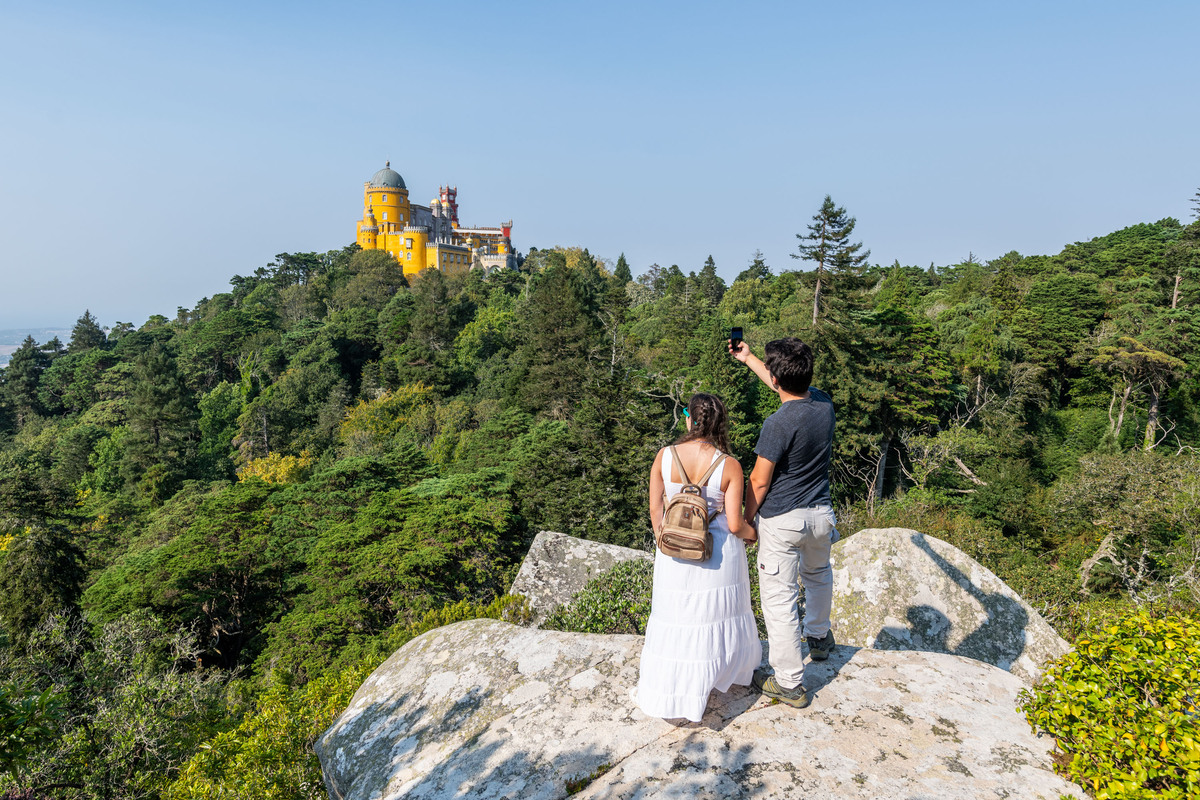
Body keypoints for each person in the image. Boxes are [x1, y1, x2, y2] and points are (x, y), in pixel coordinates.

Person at [636, 393, 761, 723]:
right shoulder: (729, 465)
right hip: (717, 552)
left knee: (676, 618)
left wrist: (667, 539)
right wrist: (755, 535)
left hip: (673, 551)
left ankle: (674, 690)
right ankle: (717, 679)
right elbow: (735, 524)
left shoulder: (664, 456)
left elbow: (655, 508)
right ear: (721, 423)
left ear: (689, 418)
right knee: (713, 616)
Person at [729, 336, 836, 709]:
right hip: (821, 515)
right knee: (819, 575)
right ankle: (819, 639)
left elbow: (759, 480)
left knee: (780, 600)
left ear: (776, 380)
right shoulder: (823, 404)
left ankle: (789, 682)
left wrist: (745, 521)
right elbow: (787, 382)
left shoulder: (777, 424)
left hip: (783, 520)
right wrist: (750, 359)